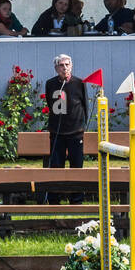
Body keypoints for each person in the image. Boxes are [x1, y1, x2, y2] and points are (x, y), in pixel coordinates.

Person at [41, 53, 89, 205]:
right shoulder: (50, 84)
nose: (65, 68)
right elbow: (50, 103)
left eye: (67, 65)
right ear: (56, 68)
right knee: (56, 166)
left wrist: (82, 126)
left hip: (76, 132)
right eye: (61, 65)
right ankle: (54, 199)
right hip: (57, 132)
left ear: (71, 66)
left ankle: (77, 200)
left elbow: (85, 105)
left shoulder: (79, 83)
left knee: (77, 166)